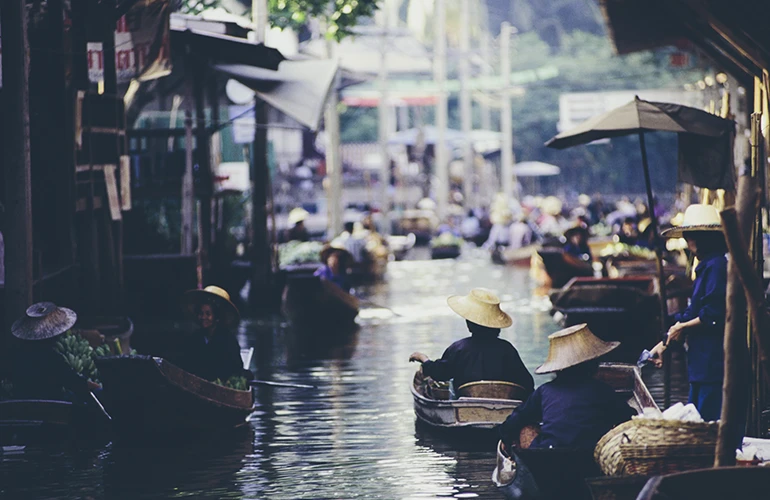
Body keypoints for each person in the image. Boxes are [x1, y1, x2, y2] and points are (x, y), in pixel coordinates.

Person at [647, 204, 730, 423]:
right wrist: (664, 342)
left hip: (712, 361)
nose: (687, 241)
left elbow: (713, 314)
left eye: (690, 236)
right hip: (700, 362)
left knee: (707, 422)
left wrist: (681, 328)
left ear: (701, 238)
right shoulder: (704, 268)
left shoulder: (717, 266)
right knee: (696, 419)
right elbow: (691, 313)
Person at [497, 323, 634, 452]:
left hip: (549, 454)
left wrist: (505, 438)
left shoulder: (545, 390)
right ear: (592, 365)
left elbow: (518, 418)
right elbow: (627, 417)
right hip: (589, 455)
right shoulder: (602, 390)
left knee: (525, 428)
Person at [408, 288, 534, 395]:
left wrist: (424, 359)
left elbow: (440, 373)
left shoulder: (459, 349)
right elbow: (527, 383)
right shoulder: (508, 349)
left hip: (465, 404)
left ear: (470, 325)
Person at [10, 302, 100, 400]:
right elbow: (76, 384)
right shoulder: (52, 358)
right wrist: (97, 387)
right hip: (51, 407)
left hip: (23, 405)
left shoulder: (16, 355)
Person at [175, 285, 246, 382]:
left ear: (216, 317)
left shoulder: (228, 340)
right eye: (201, 313)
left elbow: (235, 369)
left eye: (208, 314)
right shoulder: (194, 337)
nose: (203, 317)